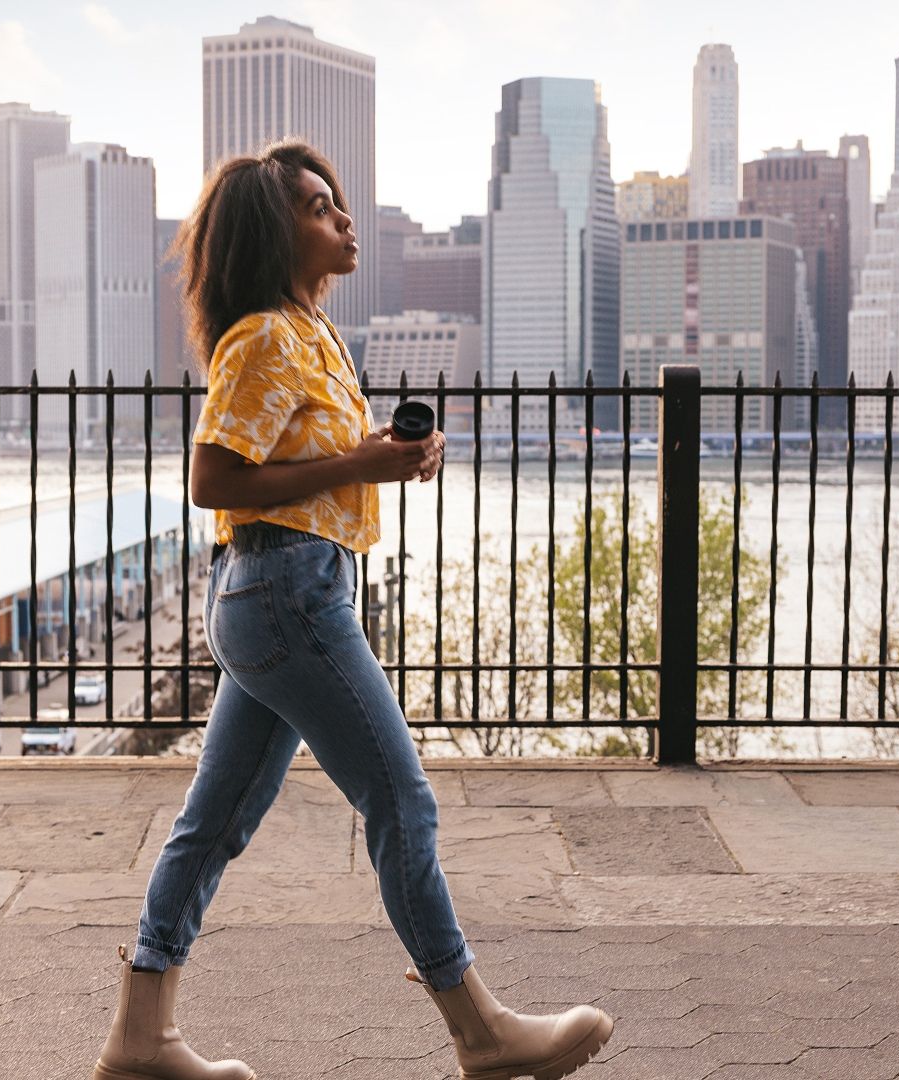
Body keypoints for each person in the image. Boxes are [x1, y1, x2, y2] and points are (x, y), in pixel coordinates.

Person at [91, 140, 615, 1080]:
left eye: (340, 203)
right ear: (272, 228)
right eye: (319, 205)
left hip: (288, 589)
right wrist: (361, 464)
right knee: (402, 801)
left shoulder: (309, 332)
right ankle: (482, 1031)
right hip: (285, 592)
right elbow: (216, 478)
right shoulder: (264, 336)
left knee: (212, 825)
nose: (343, 218)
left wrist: (386, 454)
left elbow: (295, 466)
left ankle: (141, 1037)